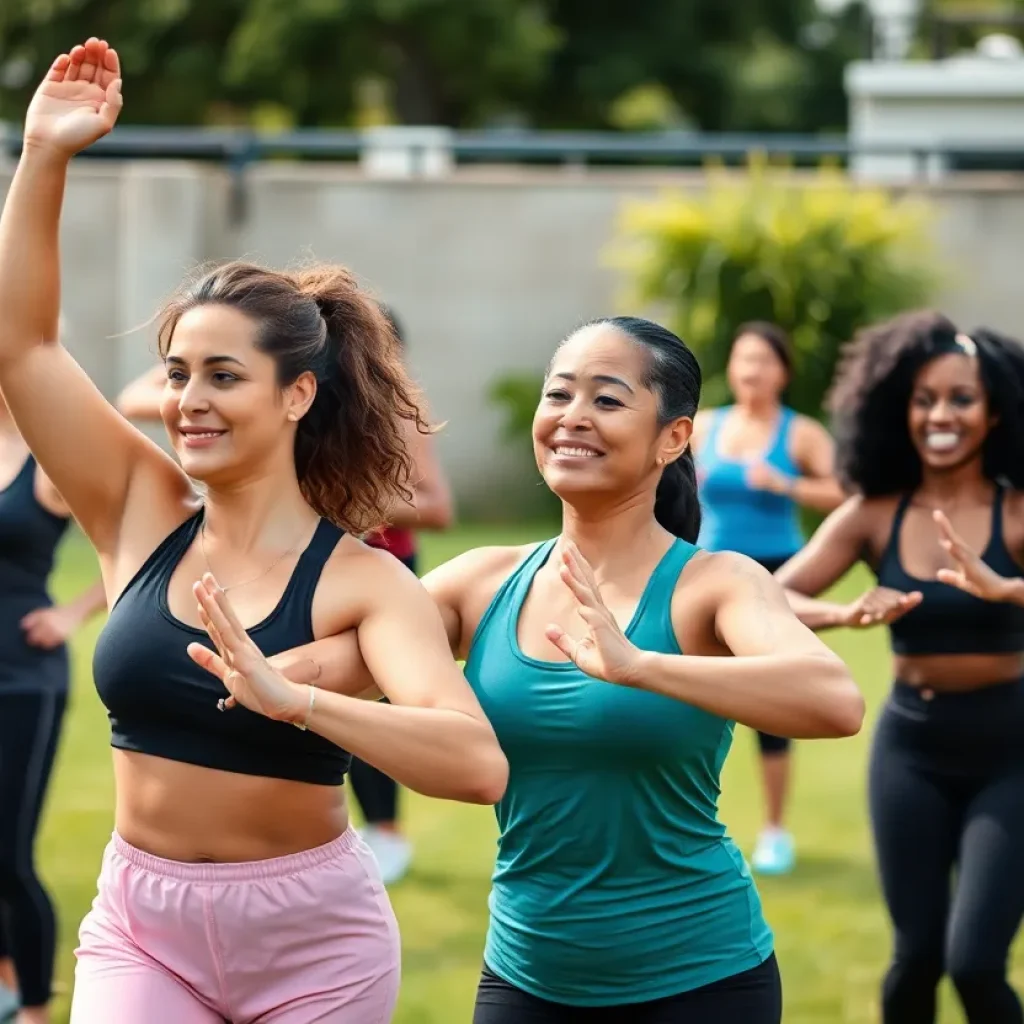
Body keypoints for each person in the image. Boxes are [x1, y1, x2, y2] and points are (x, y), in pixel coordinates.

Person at [0, 38, 507, 1024]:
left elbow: (472, 760)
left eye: (223, 375)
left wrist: (295, 700)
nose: (188, 398)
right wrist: (45, 156)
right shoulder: (138, 508)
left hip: (315, 941)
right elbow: (22, 347)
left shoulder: (362, 583)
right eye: (180, 372)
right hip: (144, 928)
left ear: (297, 393)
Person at [216, 314, 864, 1022]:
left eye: (607, 400)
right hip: (526, 979)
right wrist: (256, 664)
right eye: (559, 396)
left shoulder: (716, 585)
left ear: (672, 438)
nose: (572, 418)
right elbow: (328, 665)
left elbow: (833, 700)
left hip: (701, 979)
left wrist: (641, 665)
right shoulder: (479, 584)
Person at [116, 307, 455, 887]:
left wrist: (342, 497)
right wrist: (214, 390)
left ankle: (385, 830)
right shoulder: (266, 399)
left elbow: (437, 508)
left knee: (357, 708)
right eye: (181, 372)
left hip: (366, 567)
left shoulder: (396, 417)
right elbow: (131, 399)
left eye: (224, 373)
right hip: (269, 559)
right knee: (249, 697)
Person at [775, 310, 1024, 1024]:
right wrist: (841, 612)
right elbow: (775, 595)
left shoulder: (1016, 514)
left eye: (960, 398)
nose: (939, 415)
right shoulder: (873, 514)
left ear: (997, 413)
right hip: (911, 751)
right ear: (898, 411)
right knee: (915, 958)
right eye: (924, 399)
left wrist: (1008, 590)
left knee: (975, 964)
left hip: (1011, 754)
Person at [691, 321, 845, 877]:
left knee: (769, 706)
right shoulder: (703, 427)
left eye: (764, 361)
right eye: (743, 359)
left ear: (783, 372)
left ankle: (775, 830)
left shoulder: (800, 434)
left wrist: (787, 485)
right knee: (691, 697)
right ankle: (690, 821)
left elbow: (844, 494)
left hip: (776, 574)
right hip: (706, 574)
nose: (752, 370)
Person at [0, 389, 106, 1024]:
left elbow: (145, 534)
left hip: (21, 678)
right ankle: (8, 982)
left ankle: (36, 1009)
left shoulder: (48, 461)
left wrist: (72, 614)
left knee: (7, 854)